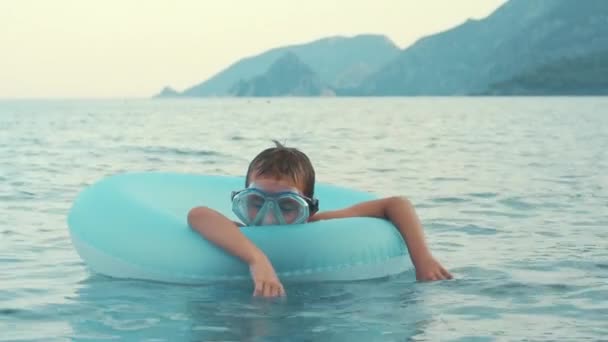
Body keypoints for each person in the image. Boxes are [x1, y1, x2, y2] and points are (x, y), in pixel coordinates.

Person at [188, 141, 452, 297]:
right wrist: (257, 259)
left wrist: (423, 261)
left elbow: (396, 204)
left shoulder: (318, 224)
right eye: (256, 202)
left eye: (287, 206)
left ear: (309, 209)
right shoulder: (239, 234)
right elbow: (198, 214)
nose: (270, 217)